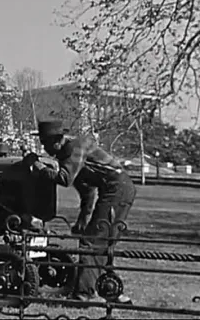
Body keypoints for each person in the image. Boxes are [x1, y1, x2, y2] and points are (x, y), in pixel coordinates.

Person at [24, 120, 136, 304]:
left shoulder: (75, 148)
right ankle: (112, 291)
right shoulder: (67, 154)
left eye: (45, 143)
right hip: (113, 190)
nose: (44, 148)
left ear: (58, 140)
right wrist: (83, 220)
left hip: (118, 189)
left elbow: (65, 179)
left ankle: (83, 295)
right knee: (100, 241)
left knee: (93, 242)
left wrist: (38, 166)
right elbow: (88, 190)